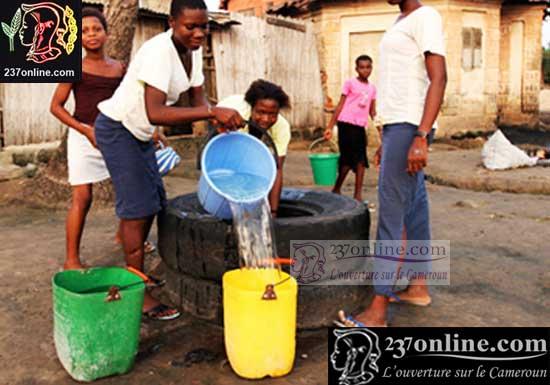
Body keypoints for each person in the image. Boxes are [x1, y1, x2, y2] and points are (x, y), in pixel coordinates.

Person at [94, 0, 243, 321]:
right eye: (191, 26)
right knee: (138, 209)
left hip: (140, 132)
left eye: (204, 26)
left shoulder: (191, 53)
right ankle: (136, 289)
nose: (200, 32)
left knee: (156, 202)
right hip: (119, 128)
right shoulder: (158, 52)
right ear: (172, 23)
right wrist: (211, 112)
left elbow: (199, 98)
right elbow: (156, 111)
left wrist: (218, 123)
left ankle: (139, 275)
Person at [338, 0, 447, 327]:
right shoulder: (403, 18)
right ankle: (418, 286)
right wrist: (388, 136)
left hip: (410, 127)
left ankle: (378, 308)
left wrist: (420, 136)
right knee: (414, 209)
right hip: (398, 127)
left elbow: (438, 78)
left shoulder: (425, 16)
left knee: (391, 216)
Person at [50, 7, 126, 270]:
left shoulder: (119, 68)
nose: (91, 35)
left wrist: (150, 132)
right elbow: (56, 107)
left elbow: (129, 103)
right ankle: (71, 259)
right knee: (83, 197)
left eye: (97, 29)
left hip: (114, 134)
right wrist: (86, 131)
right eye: (84, 31)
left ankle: (123, 235)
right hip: (83, 136)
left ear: (106, 34)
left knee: (129, 189)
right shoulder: (73, 68)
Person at [216, 79, 291, 216]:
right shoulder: (237, 116)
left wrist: (273, 212)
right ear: (252, 107)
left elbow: (277, 169)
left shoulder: (282, 127)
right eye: (261, 112)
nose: (266, 119)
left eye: (272, 114)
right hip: (222, 127)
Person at [324, 55, 377, 202]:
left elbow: (372, 111)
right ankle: (337, 188)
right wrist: (330, 126)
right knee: (348, 159)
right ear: (356, 69)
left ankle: (357, 194)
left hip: (360, 126)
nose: (365, 70)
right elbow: (340, 105)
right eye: (362, 67)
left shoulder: (372, 88)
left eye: (368, 67)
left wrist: (381, 128)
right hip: (346, 124)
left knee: (361, 160)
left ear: (371, 68)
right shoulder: (350, 84)